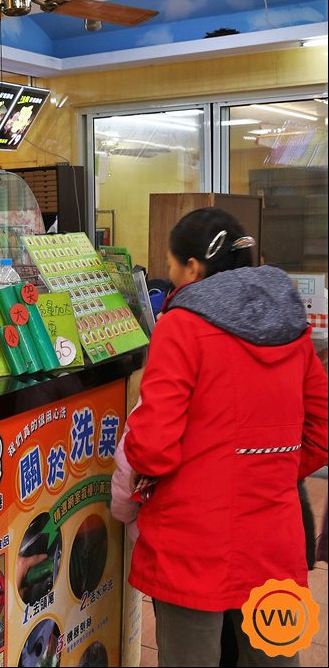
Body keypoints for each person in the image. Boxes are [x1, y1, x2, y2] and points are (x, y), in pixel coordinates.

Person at [123, 207, 328, 667]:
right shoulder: (290, 324)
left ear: (193, 268)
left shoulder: (182, 324)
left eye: (173, 266)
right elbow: (322, 426)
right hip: (274, 534)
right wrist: (270, 468)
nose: (170, 277)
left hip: (190, 540)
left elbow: (153, 447)